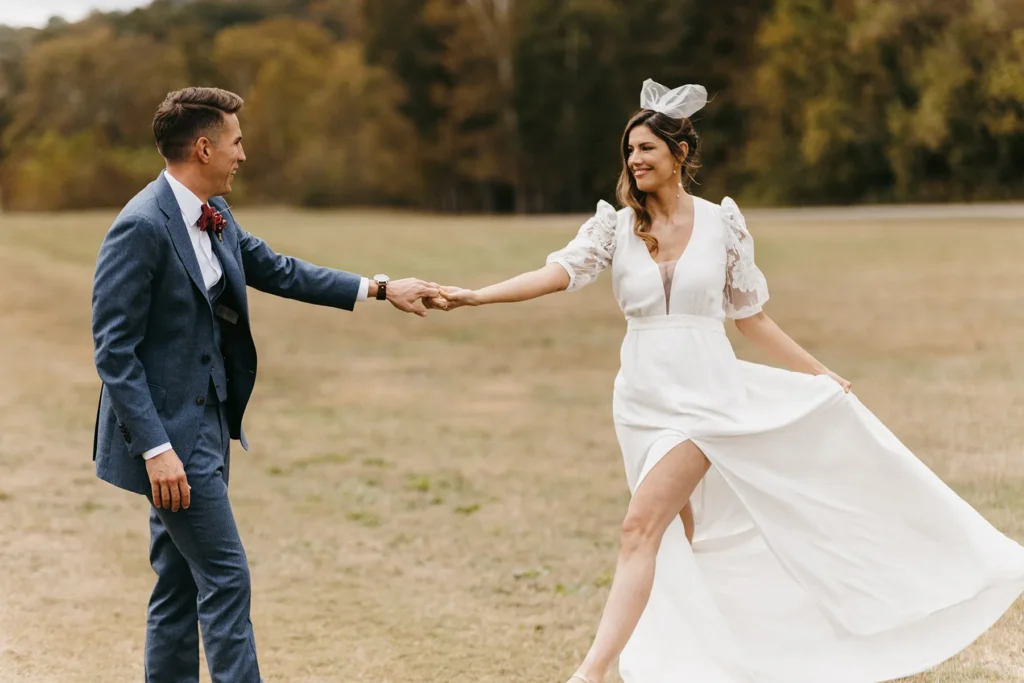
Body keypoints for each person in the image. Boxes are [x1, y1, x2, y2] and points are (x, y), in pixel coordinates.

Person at [438, 80, 1024, 683]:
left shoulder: (723, 224)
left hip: (707, 397)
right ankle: (726, 659)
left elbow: (752, 318)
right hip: (640, 401)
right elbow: (557, 272)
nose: (635, 160)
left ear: (679, 155)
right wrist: (475, 297)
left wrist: (822, 375)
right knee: (685, 537)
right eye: (629, 151)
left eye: (646, 149)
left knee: (639, 527)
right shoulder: (613, 227)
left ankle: (589, 674)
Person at [90, 86, 439, 683]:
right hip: (171, 440)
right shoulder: (140, 226)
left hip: (211, 422)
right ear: (203, 148)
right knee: (226, 579)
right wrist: (155, 449)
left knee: (178, 585)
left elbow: (278, 270)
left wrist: (380, 288)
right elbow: (113, 350)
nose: (243, 155)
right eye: (236, 143)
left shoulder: (216, 214)